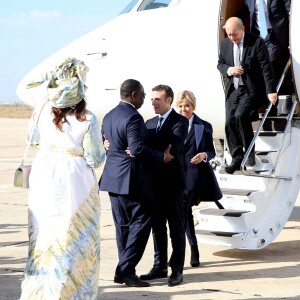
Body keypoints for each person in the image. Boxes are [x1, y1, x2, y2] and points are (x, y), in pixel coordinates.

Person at [20, 57, 105, 299]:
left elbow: (32, 141)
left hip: (44, 174)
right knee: (74, 236)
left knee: (45, 234)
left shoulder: (41, 113)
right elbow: (95, 158)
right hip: (74, 178)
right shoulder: (87, 118)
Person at [99, 79, 173, 287]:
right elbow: (137, 149)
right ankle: (124, 270)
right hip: (131, 180)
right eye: (142, 95)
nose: (144, 100)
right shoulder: (133, 117)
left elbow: (105, 143)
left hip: (112, 179)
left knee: (122, 227)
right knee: (141, 222)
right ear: (133, 95)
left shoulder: (109, 115)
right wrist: (161, 157)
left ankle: (127, 271)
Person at [140, 85, 188, 287]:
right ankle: (160, 266)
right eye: (151, 99)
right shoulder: (149, 122)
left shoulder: (180, 121)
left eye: (157, 99)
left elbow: (174, 144)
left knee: (176, 228)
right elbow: (144, 146)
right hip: (153, 184)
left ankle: (177, 270)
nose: (153, 103)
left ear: (169, 100)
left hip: (173, 184)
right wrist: (157, 149)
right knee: (157, 227)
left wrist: (151, 148)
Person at [217, 17, 277, 174]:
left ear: (242, 29)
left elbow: (266, 68)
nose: (232, 38)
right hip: (233, 90)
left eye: (235, 34)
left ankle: (249, 152)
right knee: (229, 121)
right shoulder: (225, 44)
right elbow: (220, 64)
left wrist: (271, 90)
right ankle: (236, 157)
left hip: (251, 89)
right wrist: (230, 70)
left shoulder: (256, 42)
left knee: (240, 115)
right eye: (229, 34)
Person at [175, 90, 223, 267]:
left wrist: (203, 155)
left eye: (186, 106)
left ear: (193, 106)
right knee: (185, 213)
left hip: (194, 176)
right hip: (176, 175)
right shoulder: (171, 124)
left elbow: (211, 150)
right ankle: (193, 249)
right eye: (180, 106)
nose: (183, 109)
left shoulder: (203, 126)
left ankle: (184, 252)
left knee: (182, 208)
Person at [238, 0, 291, 93]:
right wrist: (230, 23)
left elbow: (289, 11)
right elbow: (244, 12)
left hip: (275, 35)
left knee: (269, 62)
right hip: (258, 36)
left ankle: (274, 92)